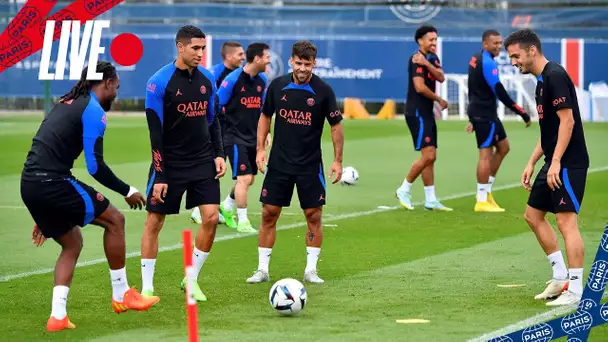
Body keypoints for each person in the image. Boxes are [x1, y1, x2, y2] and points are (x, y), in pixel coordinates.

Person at [20, 61, 159, 332]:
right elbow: (95, 166)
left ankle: (57, 316)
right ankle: (122, 295)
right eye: (116, 87)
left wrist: (46, 210)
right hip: (52, 182)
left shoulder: (66, 101)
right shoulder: (93, 110)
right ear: (106, 83)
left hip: (31, 185)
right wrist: (127, 190)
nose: (116, 93)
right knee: (115, 220)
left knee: (72, 243)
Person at [245, 40, 344, 284]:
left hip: (310, 164)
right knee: (269, 213)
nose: (302, 68)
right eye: (298, 63)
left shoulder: (323, 91)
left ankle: (311, 270)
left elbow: (336, 127)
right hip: (279, 163)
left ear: (314, 64)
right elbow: (265, 116)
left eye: (307, 64)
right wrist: (259, 150)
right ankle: (262, 269)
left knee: (313, 214)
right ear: (291, 61)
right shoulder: (277, 86)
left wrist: (338, 161)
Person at [140, 25, 226, 302]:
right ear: (180, 47)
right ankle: (147, 287)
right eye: (195, 48)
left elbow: (213, 122)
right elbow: (155, 134)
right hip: (170, 163)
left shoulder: (208, 79)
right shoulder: (158, 82)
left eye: (203, 48)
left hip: (202, 160)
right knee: (154, 221)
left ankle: (191, 280)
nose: (201, 54)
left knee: (211, 217)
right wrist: (161, 174)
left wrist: (219, 154)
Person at [505, 28, 589, 306]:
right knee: (532, 215)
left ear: (532, 50)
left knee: (566, 222)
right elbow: (549, 130)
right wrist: (531, 162)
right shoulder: (541, 82)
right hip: (553, 161)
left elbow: (568, 122)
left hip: (568, 162)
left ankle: (575, 290)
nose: (514, 61)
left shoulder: (554, 76)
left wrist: (554, 163)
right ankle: (560, 276)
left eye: (516, 55)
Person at [467, 29, 531, 212]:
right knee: (485, 154)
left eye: (499, 43)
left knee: (503, 147)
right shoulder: (487, 62)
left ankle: (486, 191)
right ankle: (481, 200)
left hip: (485, 113)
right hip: (484, 114)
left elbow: (476, 87)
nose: (498, 46)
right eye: (494, 43)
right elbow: (499, 91)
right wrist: (521, 112)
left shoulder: (477, 58)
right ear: (485, 43)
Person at [216, 42, 271, 233]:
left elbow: (264, 111)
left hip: (253, 138)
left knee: (249, 179)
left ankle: (226, 205)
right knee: (244, 178)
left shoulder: (262, 80)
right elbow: (216, 105)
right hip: (234, 136)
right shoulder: (232, 80)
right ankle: (243, 221)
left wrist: (267, 133)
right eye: (267, 58)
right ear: (257, 59)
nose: (269, 61)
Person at [396, 25, 451, 212]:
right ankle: (404, 188)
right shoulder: (415, 59)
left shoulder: (431, 58)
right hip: (417, 112)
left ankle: (430, 199)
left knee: (430, 158)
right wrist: (439, 99)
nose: (434, 42)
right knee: (429, 155)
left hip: (427, 112)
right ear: (420, 41)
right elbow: (419, 87)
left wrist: (427, 63)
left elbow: (441, 77)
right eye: (431, 39)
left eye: (436, 39)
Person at [190, 41, 245, 226]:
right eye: (239, 54)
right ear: (228, 56)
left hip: (232, 127)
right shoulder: (214, 74)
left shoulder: (240, 75)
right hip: (215, 126)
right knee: (213, 167)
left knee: (226, 168)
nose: (243, 58)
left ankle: (217, 207)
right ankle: (199, 209)